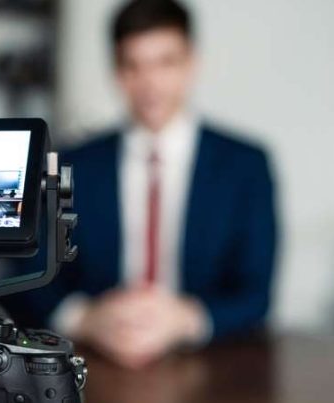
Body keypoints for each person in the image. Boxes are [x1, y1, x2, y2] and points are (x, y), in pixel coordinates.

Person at [16, 0, 278, 369]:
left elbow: (256, 294)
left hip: (212, 364)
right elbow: (31, 274)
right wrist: (85, 319)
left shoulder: (246, 165)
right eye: (133, 66)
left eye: (165, 62)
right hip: (92, 363)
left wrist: (185, 320)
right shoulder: (74, 163)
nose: (150, 83)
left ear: (191, 64)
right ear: (116, 72)